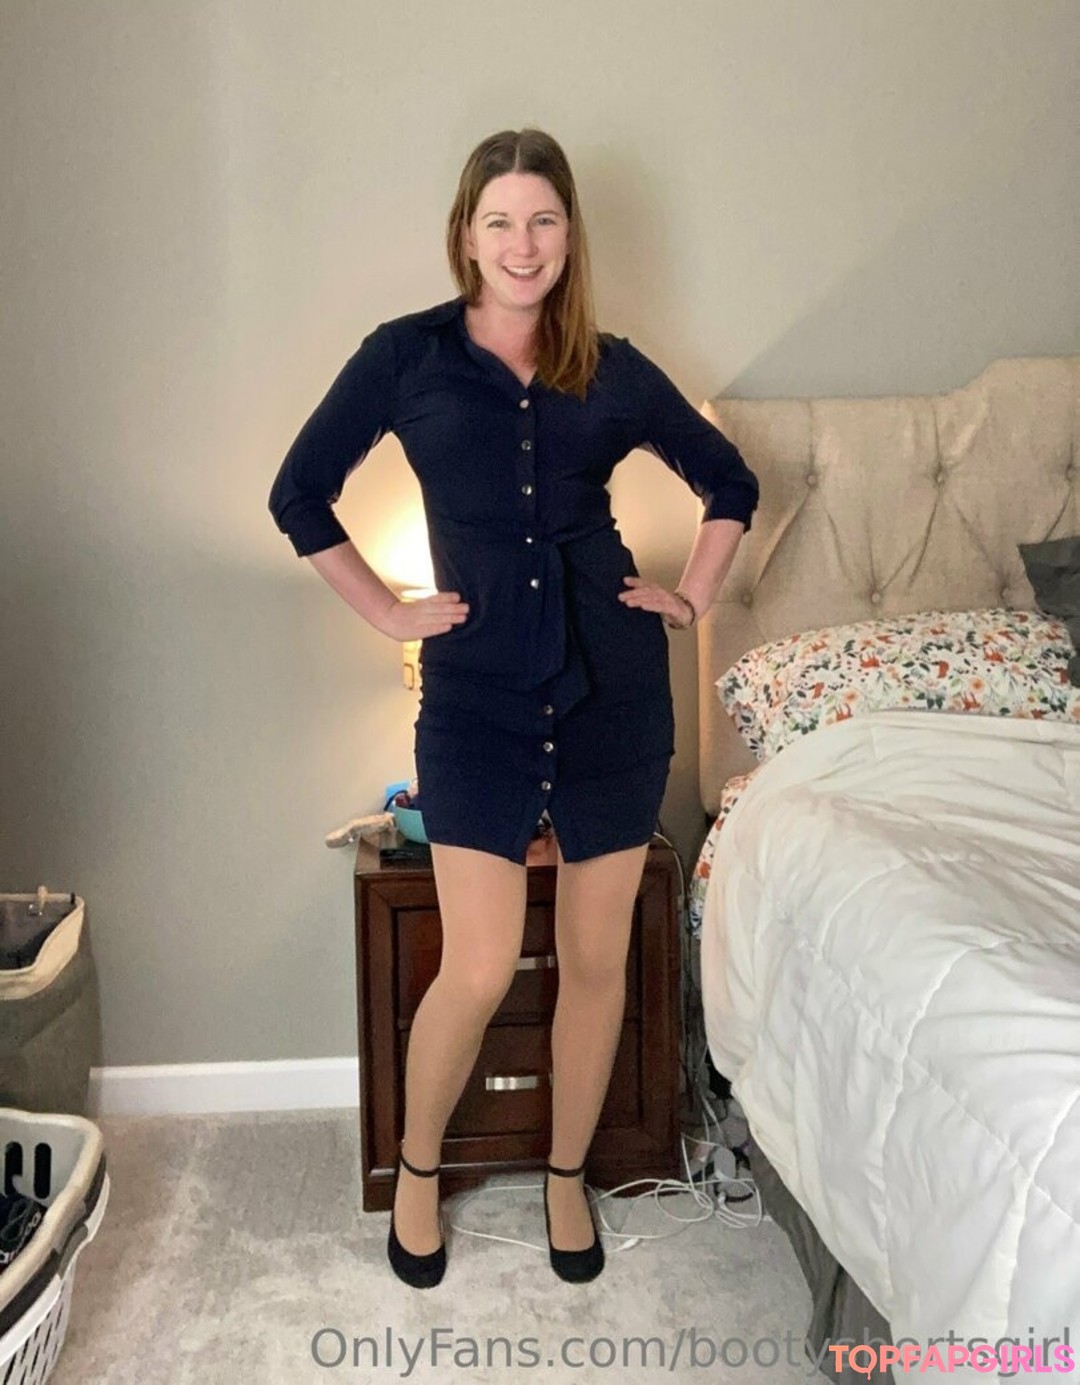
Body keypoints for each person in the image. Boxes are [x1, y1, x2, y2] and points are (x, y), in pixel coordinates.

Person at [268, 128, 759, 1289]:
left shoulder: (614, 368)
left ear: (569, 234)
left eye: (543, 219)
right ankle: (420, 1167)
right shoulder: (407, 357)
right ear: (466, 234)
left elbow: (730, 479)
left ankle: (565, 1174)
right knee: (479, 965)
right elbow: (300, 492)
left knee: (595, 960)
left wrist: (691, 594)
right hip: (477, 698)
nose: (522, 243)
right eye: (501, 221)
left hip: (611, 695)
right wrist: (388, 611)